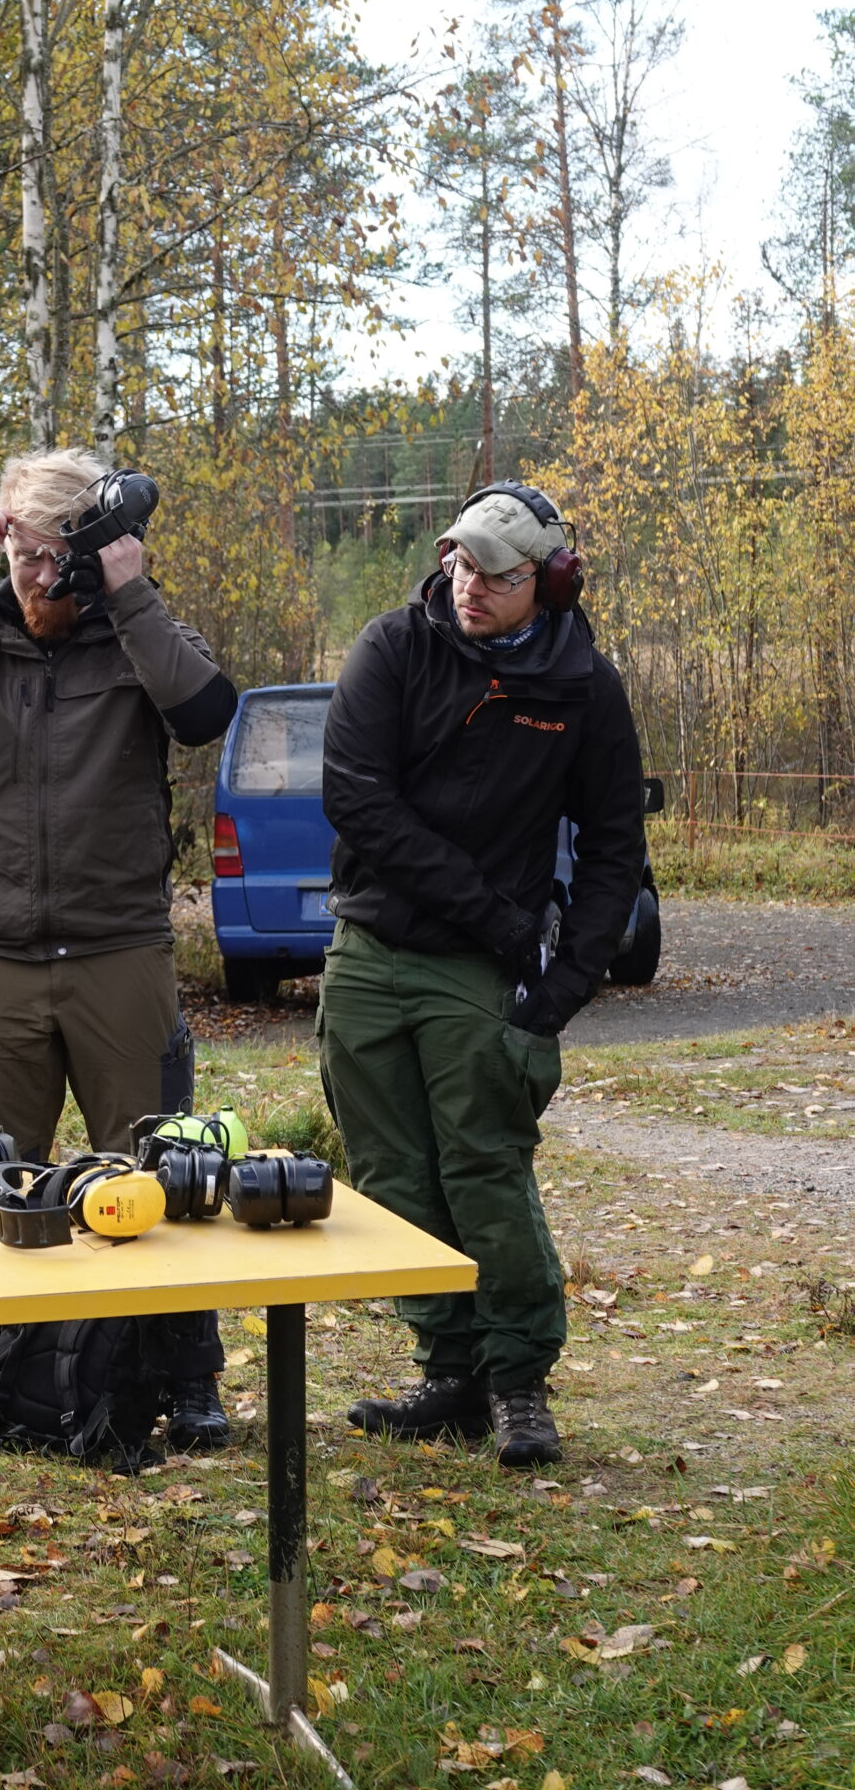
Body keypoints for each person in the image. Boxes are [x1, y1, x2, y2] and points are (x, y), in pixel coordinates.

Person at [0, 448, 239, 1451]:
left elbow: (205, 712)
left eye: (53, 556)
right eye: (21, 553)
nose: (35, 576)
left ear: (94, 550)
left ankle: (186, 1378)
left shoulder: (136, 630)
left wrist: (130, 591)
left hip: (118, 947)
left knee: (156, 1168)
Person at [318, 481, 645, 1468]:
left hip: (477, 973)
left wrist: (567, 981)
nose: (470, 586)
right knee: (391, 1176)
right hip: (371, 953)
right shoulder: (393, 647)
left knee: (484, 1171)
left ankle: (516, 1381)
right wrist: (497, 914)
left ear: (548, 581)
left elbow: (614, 849)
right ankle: (449, 1371)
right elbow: (357, 800)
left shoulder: (582, 687)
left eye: (497, 575)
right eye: (461, 563)